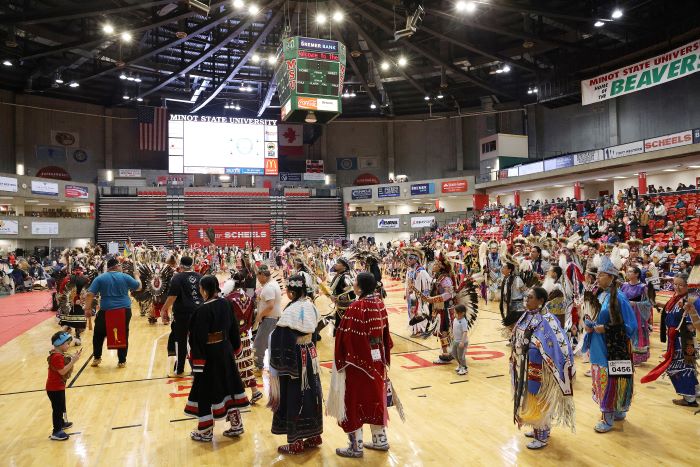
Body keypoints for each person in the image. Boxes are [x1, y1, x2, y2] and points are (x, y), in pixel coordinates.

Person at [330, 272, 394, 458]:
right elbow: (385, 335)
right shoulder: (378, 303)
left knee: (354, 401)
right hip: (377, 361)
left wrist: (346, 358)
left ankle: (355, 447)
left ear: (360, 287)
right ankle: (380, 440)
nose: (353, 285)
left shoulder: (358, 306)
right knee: (375, 400)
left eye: (355, 283)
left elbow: (348, 336)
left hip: (359, 364)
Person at [185, 275, 250, 442]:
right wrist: (236, 348)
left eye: (200, 288)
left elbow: (197, 338)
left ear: (204, 289)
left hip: (209, 356)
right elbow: (234, 327)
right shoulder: (226, 303)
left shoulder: (202, 310)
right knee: (230, 386)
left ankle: (205, 431)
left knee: (204, 391)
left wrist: (197, 362)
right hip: (226, 351)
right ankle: (236, 425)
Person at [510, 287, 575, 449]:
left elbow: (559, 345)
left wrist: (535, 350)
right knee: (530, 398)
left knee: (539, 399)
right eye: (527, 296)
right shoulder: (528, 315)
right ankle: (537, 427)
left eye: (530, 297)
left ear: (540, 301)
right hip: (525, 366)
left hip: (540, 370)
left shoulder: (547, 319)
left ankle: (542, 434)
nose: (527, 299)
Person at [267, 274, 323, 455]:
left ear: (291, 292)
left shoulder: (291, 310)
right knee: (310, 393)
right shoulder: (311, 306)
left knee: (294, 395)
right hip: (310, 355)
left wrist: (279, 365)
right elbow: (315, 333)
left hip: (296, 359)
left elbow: (282, 337)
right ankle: (313, 436)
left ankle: (296, 442)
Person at [581, 256, 637, 433]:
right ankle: (617, 410)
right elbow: (595, 316)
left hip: (613, 348)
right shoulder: (601, 294)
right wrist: (589, 326)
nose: (597, 277)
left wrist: (605, 329)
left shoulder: (619, 298)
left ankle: (608, 417)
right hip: (599, 345)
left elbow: (631, 326)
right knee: (604, 378)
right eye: (597, 274)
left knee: (611, 379)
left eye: (602, 274)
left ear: (612, 277)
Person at [642, 273, 700, 407]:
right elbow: (672, 310)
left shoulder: (693, 299)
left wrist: (691, 323)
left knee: (682, 367)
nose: (677, 287)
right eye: (675, 284)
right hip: (676, 337)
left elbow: (696, 320)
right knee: (686, 365)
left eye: (681, 285)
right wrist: (660, 304)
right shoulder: (677, 297)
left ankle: (689, 399)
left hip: (684, 339)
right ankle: (694, 391)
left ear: (688, 285)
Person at [85, 258, 141, 368]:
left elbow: (89, 294)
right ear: (116, 266)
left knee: (98, 334)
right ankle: (122, 361)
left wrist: (87, 309)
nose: (121, 267)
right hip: (124, 310)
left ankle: (97, 357)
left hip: (106, 310)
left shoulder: (100, 278)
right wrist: (137, 276)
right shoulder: (125, 277)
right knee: (123, 334)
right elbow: (139, 287)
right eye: (120, 265)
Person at [161, 257, 203, 376]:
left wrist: (164, 309)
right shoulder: (200, 277)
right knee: (196, 340)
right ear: (192, 264)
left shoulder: (177, 278)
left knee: (181, 341)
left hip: (183, 314)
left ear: (181, 265)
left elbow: (172, 297)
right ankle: (197, 368)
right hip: (199, 312)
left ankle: (179, 369)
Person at [46, 331, 82, 441]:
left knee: (61, 406)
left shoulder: (58, 354)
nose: (68, 345)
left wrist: (72, 359)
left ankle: (61, 423)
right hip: (54, 388)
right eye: (67, 344)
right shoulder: (57, 357)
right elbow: (62, 372)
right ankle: (56, 431)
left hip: (58, 387)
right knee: (57, 409)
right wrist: (73, 361)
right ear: (60, 344)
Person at [252, 265, 282, 373]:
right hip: (273, 318)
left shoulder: (269, 287)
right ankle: (275, 366)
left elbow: (270, 306)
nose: (258, 280)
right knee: (271, 344)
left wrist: (260, 315)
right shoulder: (272, 284)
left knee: (258, 344)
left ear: (264, 276)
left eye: (259, 278)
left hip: (269, 319)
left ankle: (258, 366)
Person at [621, 266, 652, 365]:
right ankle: (626, 355)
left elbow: (649, 302)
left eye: (630, 271)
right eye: (627, 271)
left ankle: (637, 358)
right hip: (625, 314)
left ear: (637, 274)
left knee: (637, 334)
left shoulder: (643, 287)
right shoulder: (624, 285)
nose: (628, 273)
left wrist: (636, 304)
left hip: (637, 316)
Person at [451, 305, 470, 375]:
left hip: (461, 342)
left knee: (461, 356)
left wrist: (462, 342)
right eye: (454, 313)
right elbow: (454, 329)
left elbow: (465, 332)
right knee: (453, 353)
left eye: (456, 313)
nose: (455, 314)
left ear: (462, 313)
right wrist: (452, 335)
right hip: (455, 340)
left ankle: (464, 368)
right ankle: (460, 365)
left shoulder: (463, 321)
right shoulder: (455, 319)